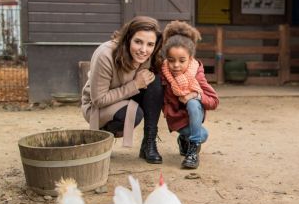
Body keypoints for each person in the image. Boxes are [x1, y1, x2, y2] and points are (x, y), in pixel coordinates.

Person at [81, 16, 164, 163]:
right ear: (127, 38)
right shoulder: (105, 55)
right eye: (138, 42)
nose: (144, 50)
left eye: (150, 44)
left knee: (154, 81)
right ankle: (104, 135)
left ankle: (149, 142)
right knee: (133, 114)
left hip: (125, 96)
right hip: (97, 107)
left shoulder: (148, 54)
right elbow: (99, 100)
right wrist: (135, 85)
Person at [160, 21, 219, 169]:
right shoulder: (163, 74)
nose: (176, 65)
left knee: (194, 107)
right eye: (171, 60)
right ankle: (186, 138)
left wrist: (194, 95)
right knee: (201, 135)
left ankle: (192, 151)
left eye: (182, 60)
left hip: (193, 117)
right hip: (176, 118)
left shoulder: (197, 73)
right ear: (166, 58)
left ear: (190, 58)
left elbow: (214, 101)